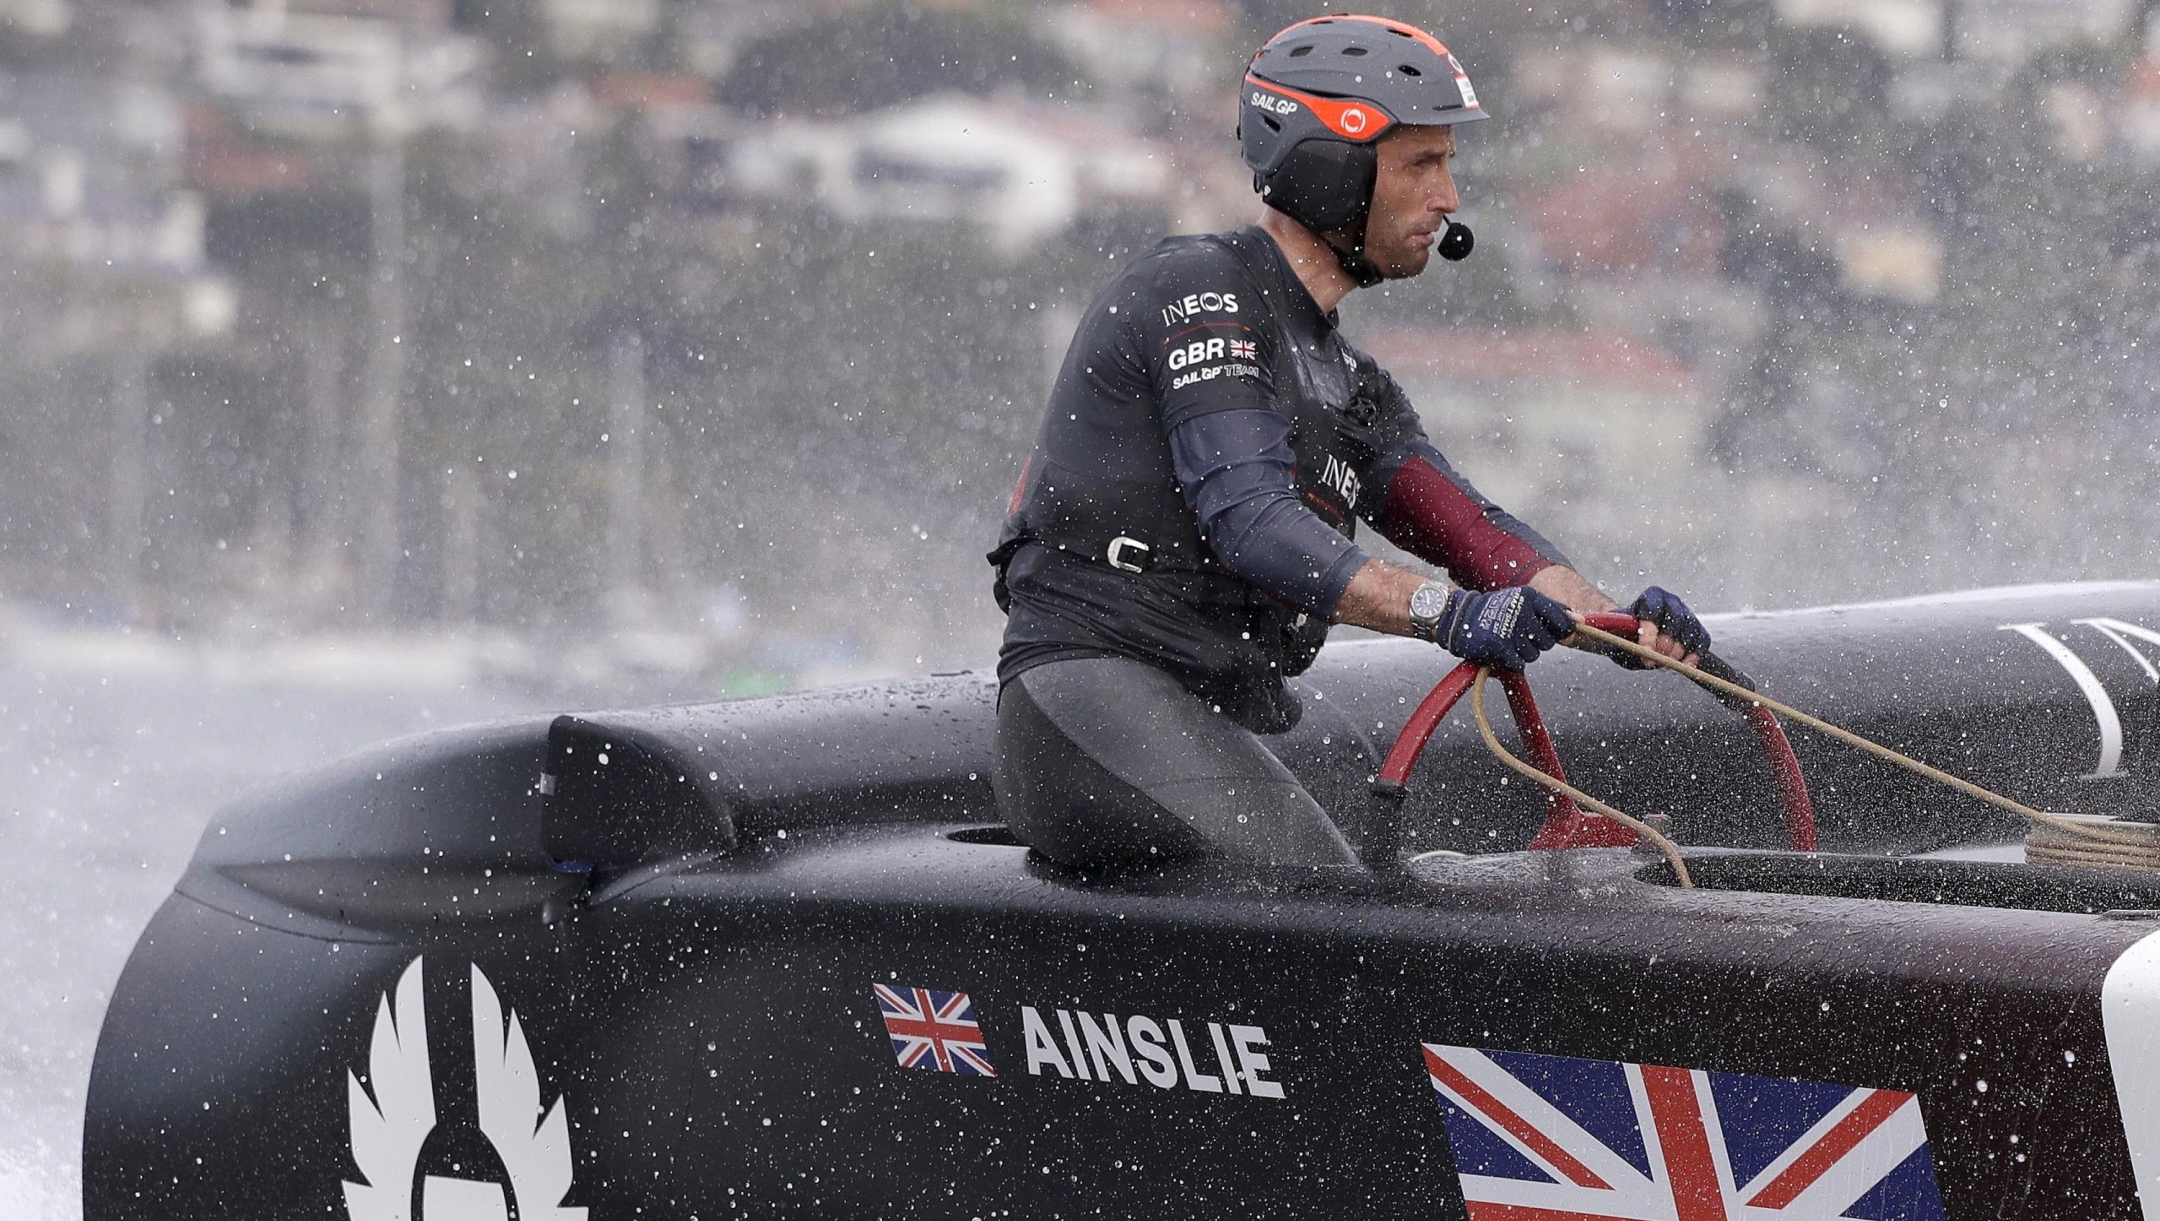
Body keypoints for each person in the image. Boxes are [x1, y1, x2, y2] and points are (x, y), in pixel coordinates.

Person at [986, 14, 1710, 872]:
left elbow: (1479, 538)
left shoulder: (1353, 385)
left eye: (1447, 164)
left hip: (1176, 706)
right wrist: (1449, 616)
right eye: (1422, 164)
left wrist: (1617, 626)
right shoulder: (1199, 288)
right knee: (1333, 916)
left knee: (1352, 900)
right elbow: (1252, 522)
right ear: (1329, 168)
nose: (1448, 198)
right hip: (1084, 692)